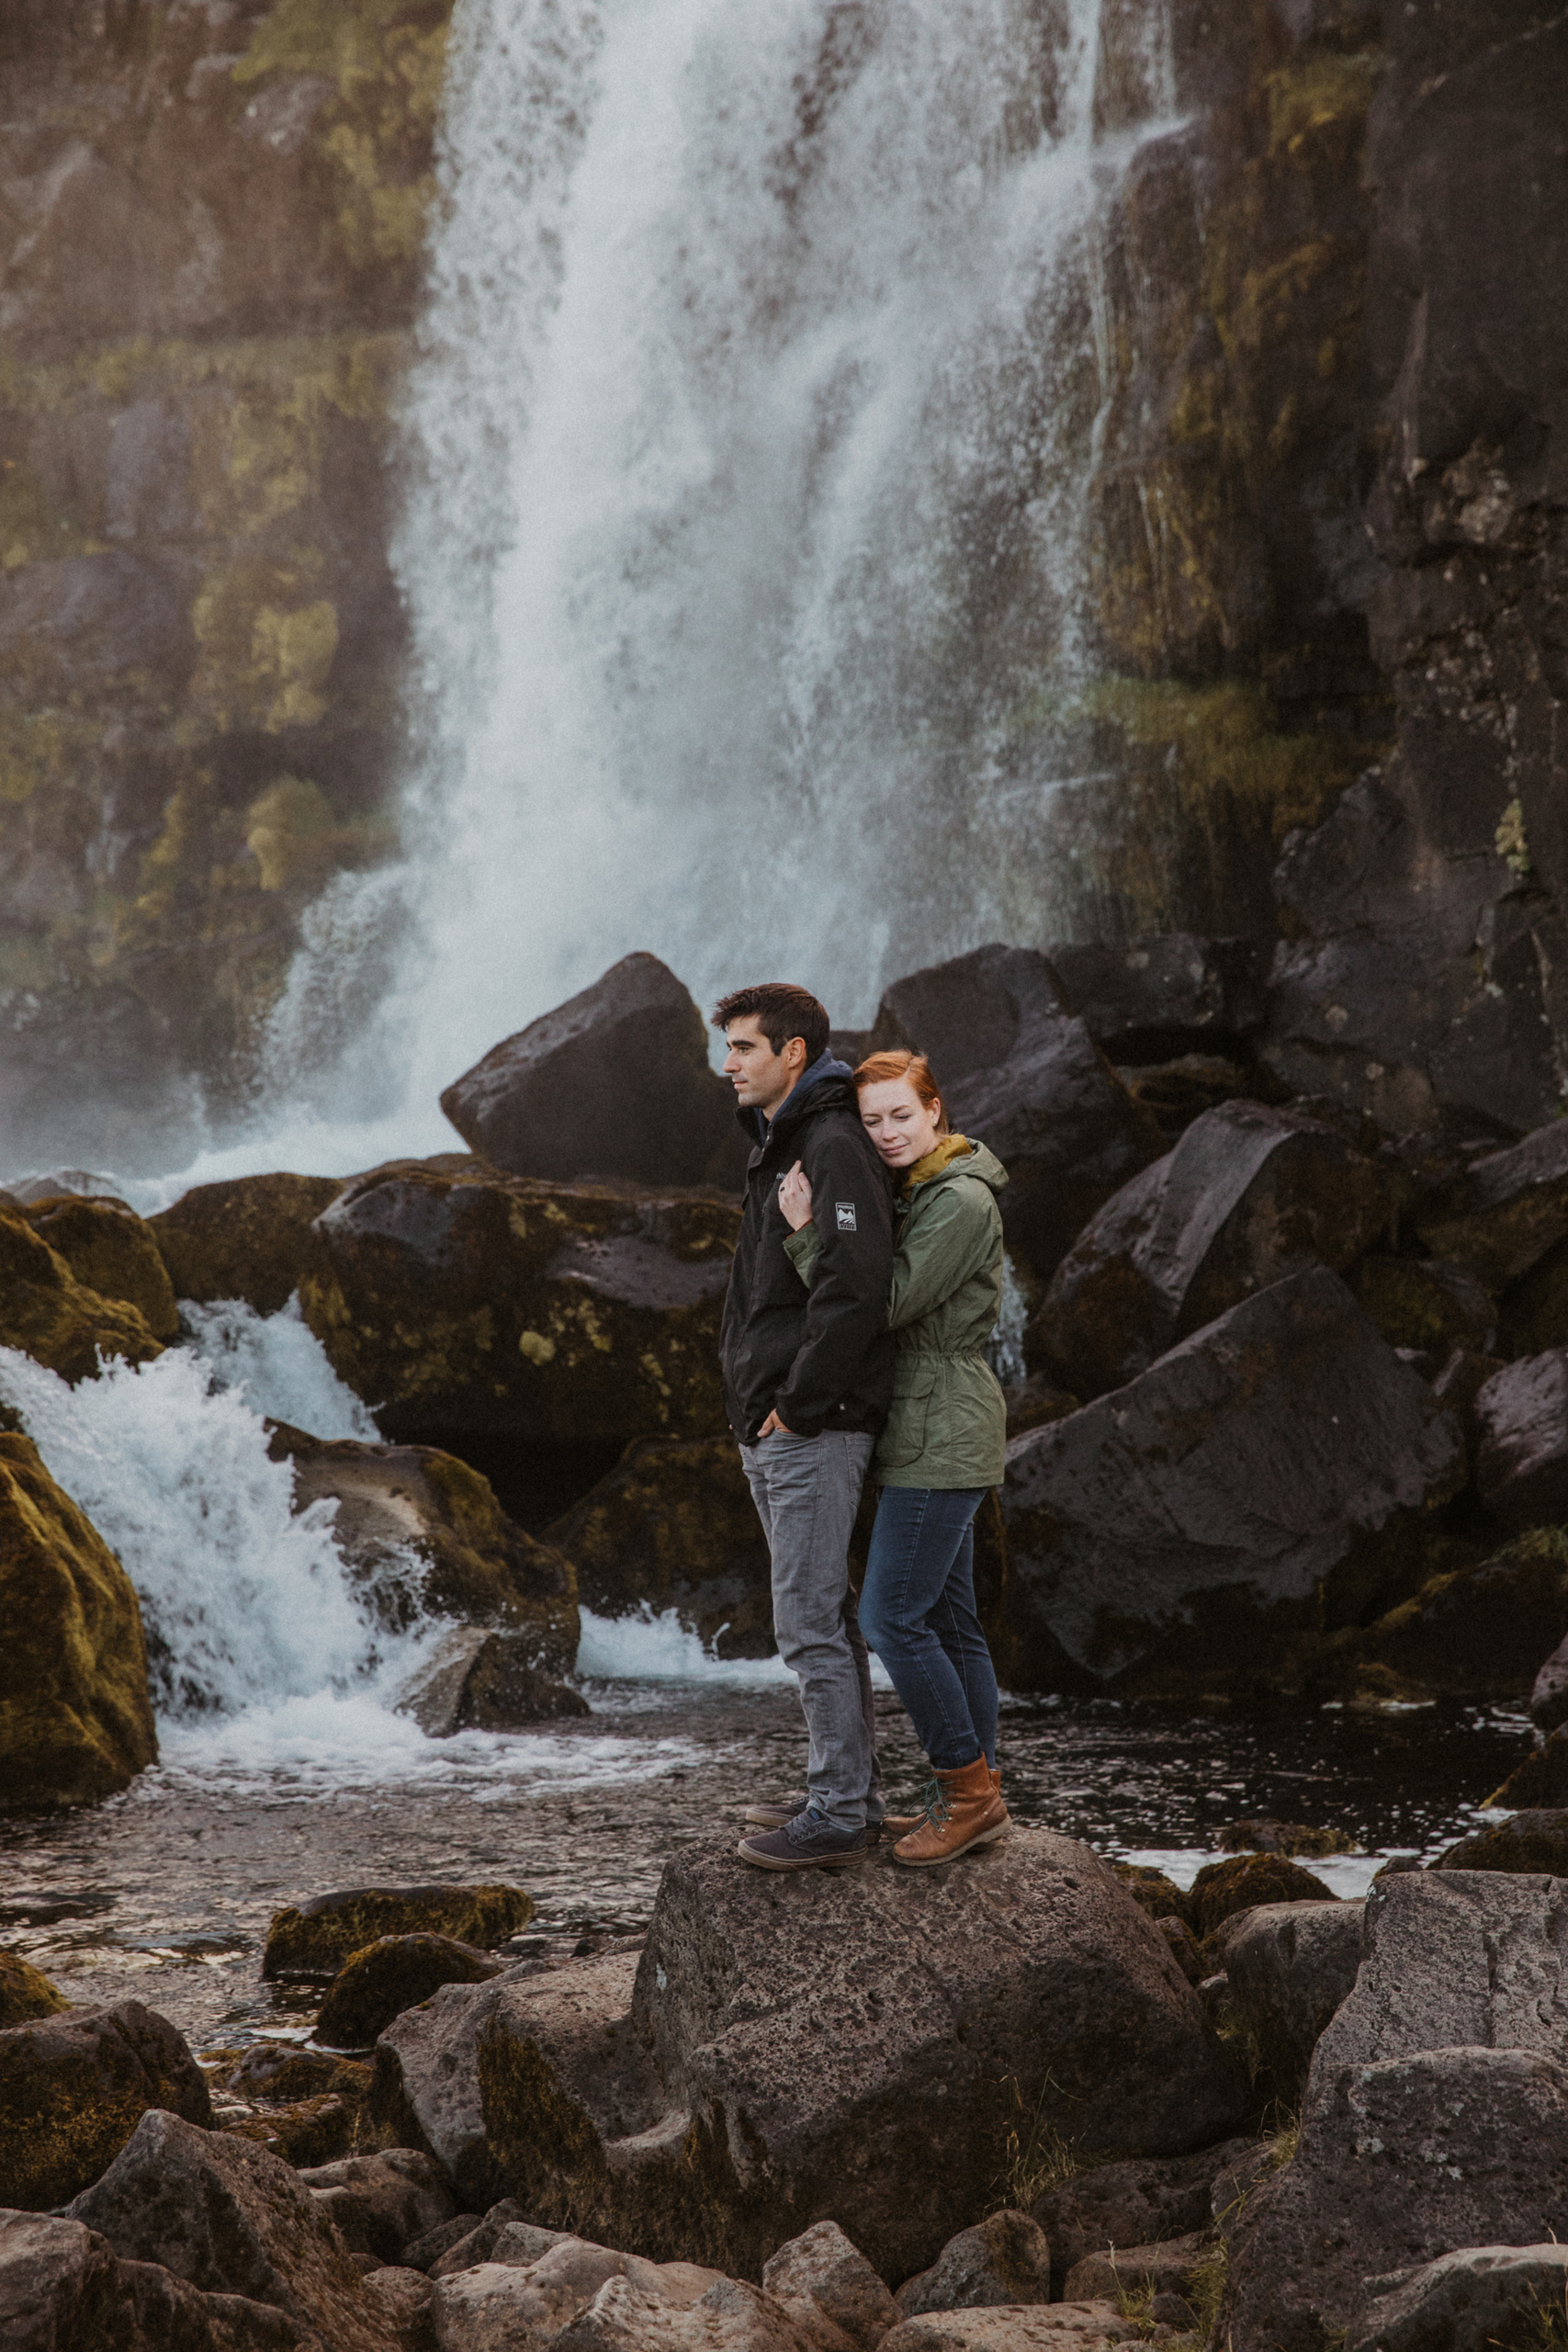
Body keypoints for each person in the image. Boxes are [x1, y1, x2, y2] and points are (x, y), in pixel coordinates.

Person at [777, 1047, 1010, 1866]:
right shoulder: (921, 1189)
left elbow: (884, 1304)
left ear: (934, 1110)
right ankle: (973, 1794)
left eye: (900, 1115)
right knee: (948, 1621)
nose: (885, 1133)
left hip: (940, 1428)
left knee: (888, 1619)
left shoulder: (960, 1200)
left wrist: (808, 1238)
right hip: (930, 1422)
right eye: (871, 1120)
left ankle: (968, 1795)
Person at [714, 981, 897, 1872]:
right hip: (775, 1420)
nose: (728, 1064)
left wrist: (800, 1404)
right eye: (727, 1047)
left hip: (812, 1426)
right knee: (824, 1614)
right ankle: (849, 1791)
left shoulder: (830, 1140)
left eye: (744, 1046)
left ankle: (838, 1812)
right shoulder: (782, 1137)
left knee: (809, 1621)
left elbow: (855, 1284)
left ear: (793, 1052)